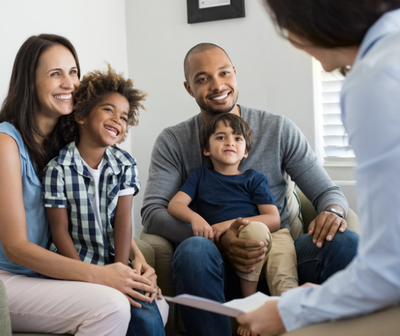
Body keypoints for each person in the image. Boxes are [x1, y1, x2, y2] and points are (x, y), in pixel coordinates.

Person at [141, 42, 359, 336]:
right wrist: (218, 238)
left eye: (224, 73)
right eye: (203, 78)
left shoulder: (278, 129)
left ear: (235, 74)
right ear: (189, 88)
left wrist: (333, 212)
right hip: (211, 266)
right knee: (194, 250)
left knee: (346, 243)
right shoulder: (174, 141)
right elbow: (153, 212)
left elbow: (326, 192)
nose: (218, 85)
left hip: (279, 254)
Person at [0, 34, 160, 336]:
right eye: (55, 74)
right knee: (112, 305)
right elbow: (15, 248)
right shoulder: (4, 143)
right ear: (29, 82)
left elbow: (99, 211)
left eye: (73, 72)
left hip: (46, 274)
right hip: (0, 278)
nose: (69, 83)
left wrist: (135, 259)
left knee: (154, 305)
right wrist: (100, 276)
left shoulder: (66, 143)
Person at [236, 1, 400, 335]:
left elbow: (388, 269)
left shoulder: (374, 78)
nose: (291, 40)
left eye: (286, 26)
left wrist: (293, 309)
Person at [43, 65, 167, 336]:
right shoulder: (58, 169)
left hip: (113, 261)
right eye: (108, 110)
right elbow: (59, 231)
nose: (117, 120)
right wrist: (85, 275)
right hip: (72, 264)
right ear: (81, 114)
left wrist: (121, 272)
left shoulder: (125, 164)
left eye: (123, 116)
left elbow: (123, 220)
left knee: (144, 303)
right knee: (131, 307)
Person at [168, 113, 298, 336]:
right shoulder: (200, 176)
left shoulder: (253, 178)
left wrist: (227, 225)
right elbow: (175, 204)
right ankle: (249, 309)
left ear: (246, 151)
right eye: (221, 137)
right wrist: (196, 218)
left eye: (238, 138)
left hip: (264, 239)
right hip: (226, 254)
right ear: (206, 150)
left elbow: (273, 218)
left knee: (272, 254)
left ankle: (283, 317)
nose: (230, 142)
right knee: (248, 234)